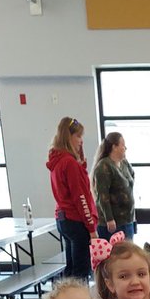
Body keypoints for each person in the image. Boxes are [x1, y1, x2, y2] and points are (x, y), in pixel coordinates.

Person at [46, 116, 99, 281]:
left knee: (71, 268)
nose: (81, 141)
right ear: (69, 137)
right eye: (78, 136)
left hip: (64, 219)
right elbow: (80, 198)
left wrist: (80, 164)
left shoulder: (59, 161)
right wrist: (91, 228)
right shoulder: (69, 163)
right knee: (80, 272)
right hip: (76, 220)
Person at [90, 131, 136, 240]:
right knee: (116, 254)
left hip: (127, 219)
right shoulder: (104, 166)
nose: (125, 148)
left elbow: (131, 182)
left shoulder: (124, 163)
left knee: (129, 253)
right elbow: (103, 195)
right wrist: (109, 219)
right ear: (114, 147)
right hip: (113, 223)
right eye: (123, 145)